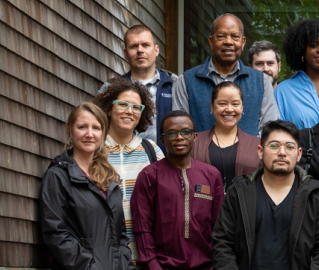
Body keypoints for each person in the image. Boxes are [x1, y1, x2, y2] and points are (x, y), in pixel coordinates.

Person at [212, 120, 319, 269]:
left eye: (289, 147)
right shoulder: (238, 193)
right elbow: (222, 243)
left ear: (299, 154)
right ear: (260, 151)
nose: (282, 152)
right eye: (274, 145)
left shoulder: (317, 194)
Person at [40, 102, 135, 270]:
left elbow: (120, 239)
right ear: (70, 130)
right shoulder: (58, 176)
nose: (89, 134)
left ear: (103, 133)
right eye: (82, 127)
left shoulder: (110, 180)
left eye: (96, 128)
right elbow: (56, 234)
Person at [131, 110, 224, 270]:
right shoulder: (149, 176)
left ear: (194, 137)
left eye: (186, 132)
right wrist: (153, 266)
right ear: (162, 139)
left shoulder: (211, 175)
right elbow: (142, 228)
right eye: (172, 133)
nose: (179, 137)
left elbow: (220, 228)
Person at [93, 77, 165, 262]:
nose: (129, 111)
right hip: (103, 257)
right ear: (109, 108)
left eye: (136, 107)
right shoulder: (93, 150)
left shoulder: (152, 151)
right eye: (123, 104)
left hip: (145, 256)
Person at [173, 13, 279, 136]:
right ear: (211, 42)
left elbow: (269, 130)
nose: (228, 42)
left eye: (235, 37)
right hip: (199, 155)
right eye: (221, 36)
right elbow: (180, 130)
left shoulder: (261, 81)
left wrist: (249, 152)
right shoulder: (186, 81)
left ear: (243, 42)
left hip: (250, 154)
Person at [100, 25, 174, 145]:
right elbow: (96, 124)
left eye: (145, 45)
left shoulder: (175, 84)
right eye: (134, 46)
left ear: (156, 50)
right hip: (122, 160)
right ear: (126, 53)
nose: (140, 50)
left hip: (166, 161)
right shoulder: (111, 88)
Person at [190, 81, 262, 189]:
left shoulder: (257, 145)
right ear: (212, 106)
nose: (229, 109)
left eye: (235, 104)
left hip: (244, 205)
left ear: (242, 107)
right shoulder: (194, 142)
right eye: (222, 103)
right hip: (202, 205)